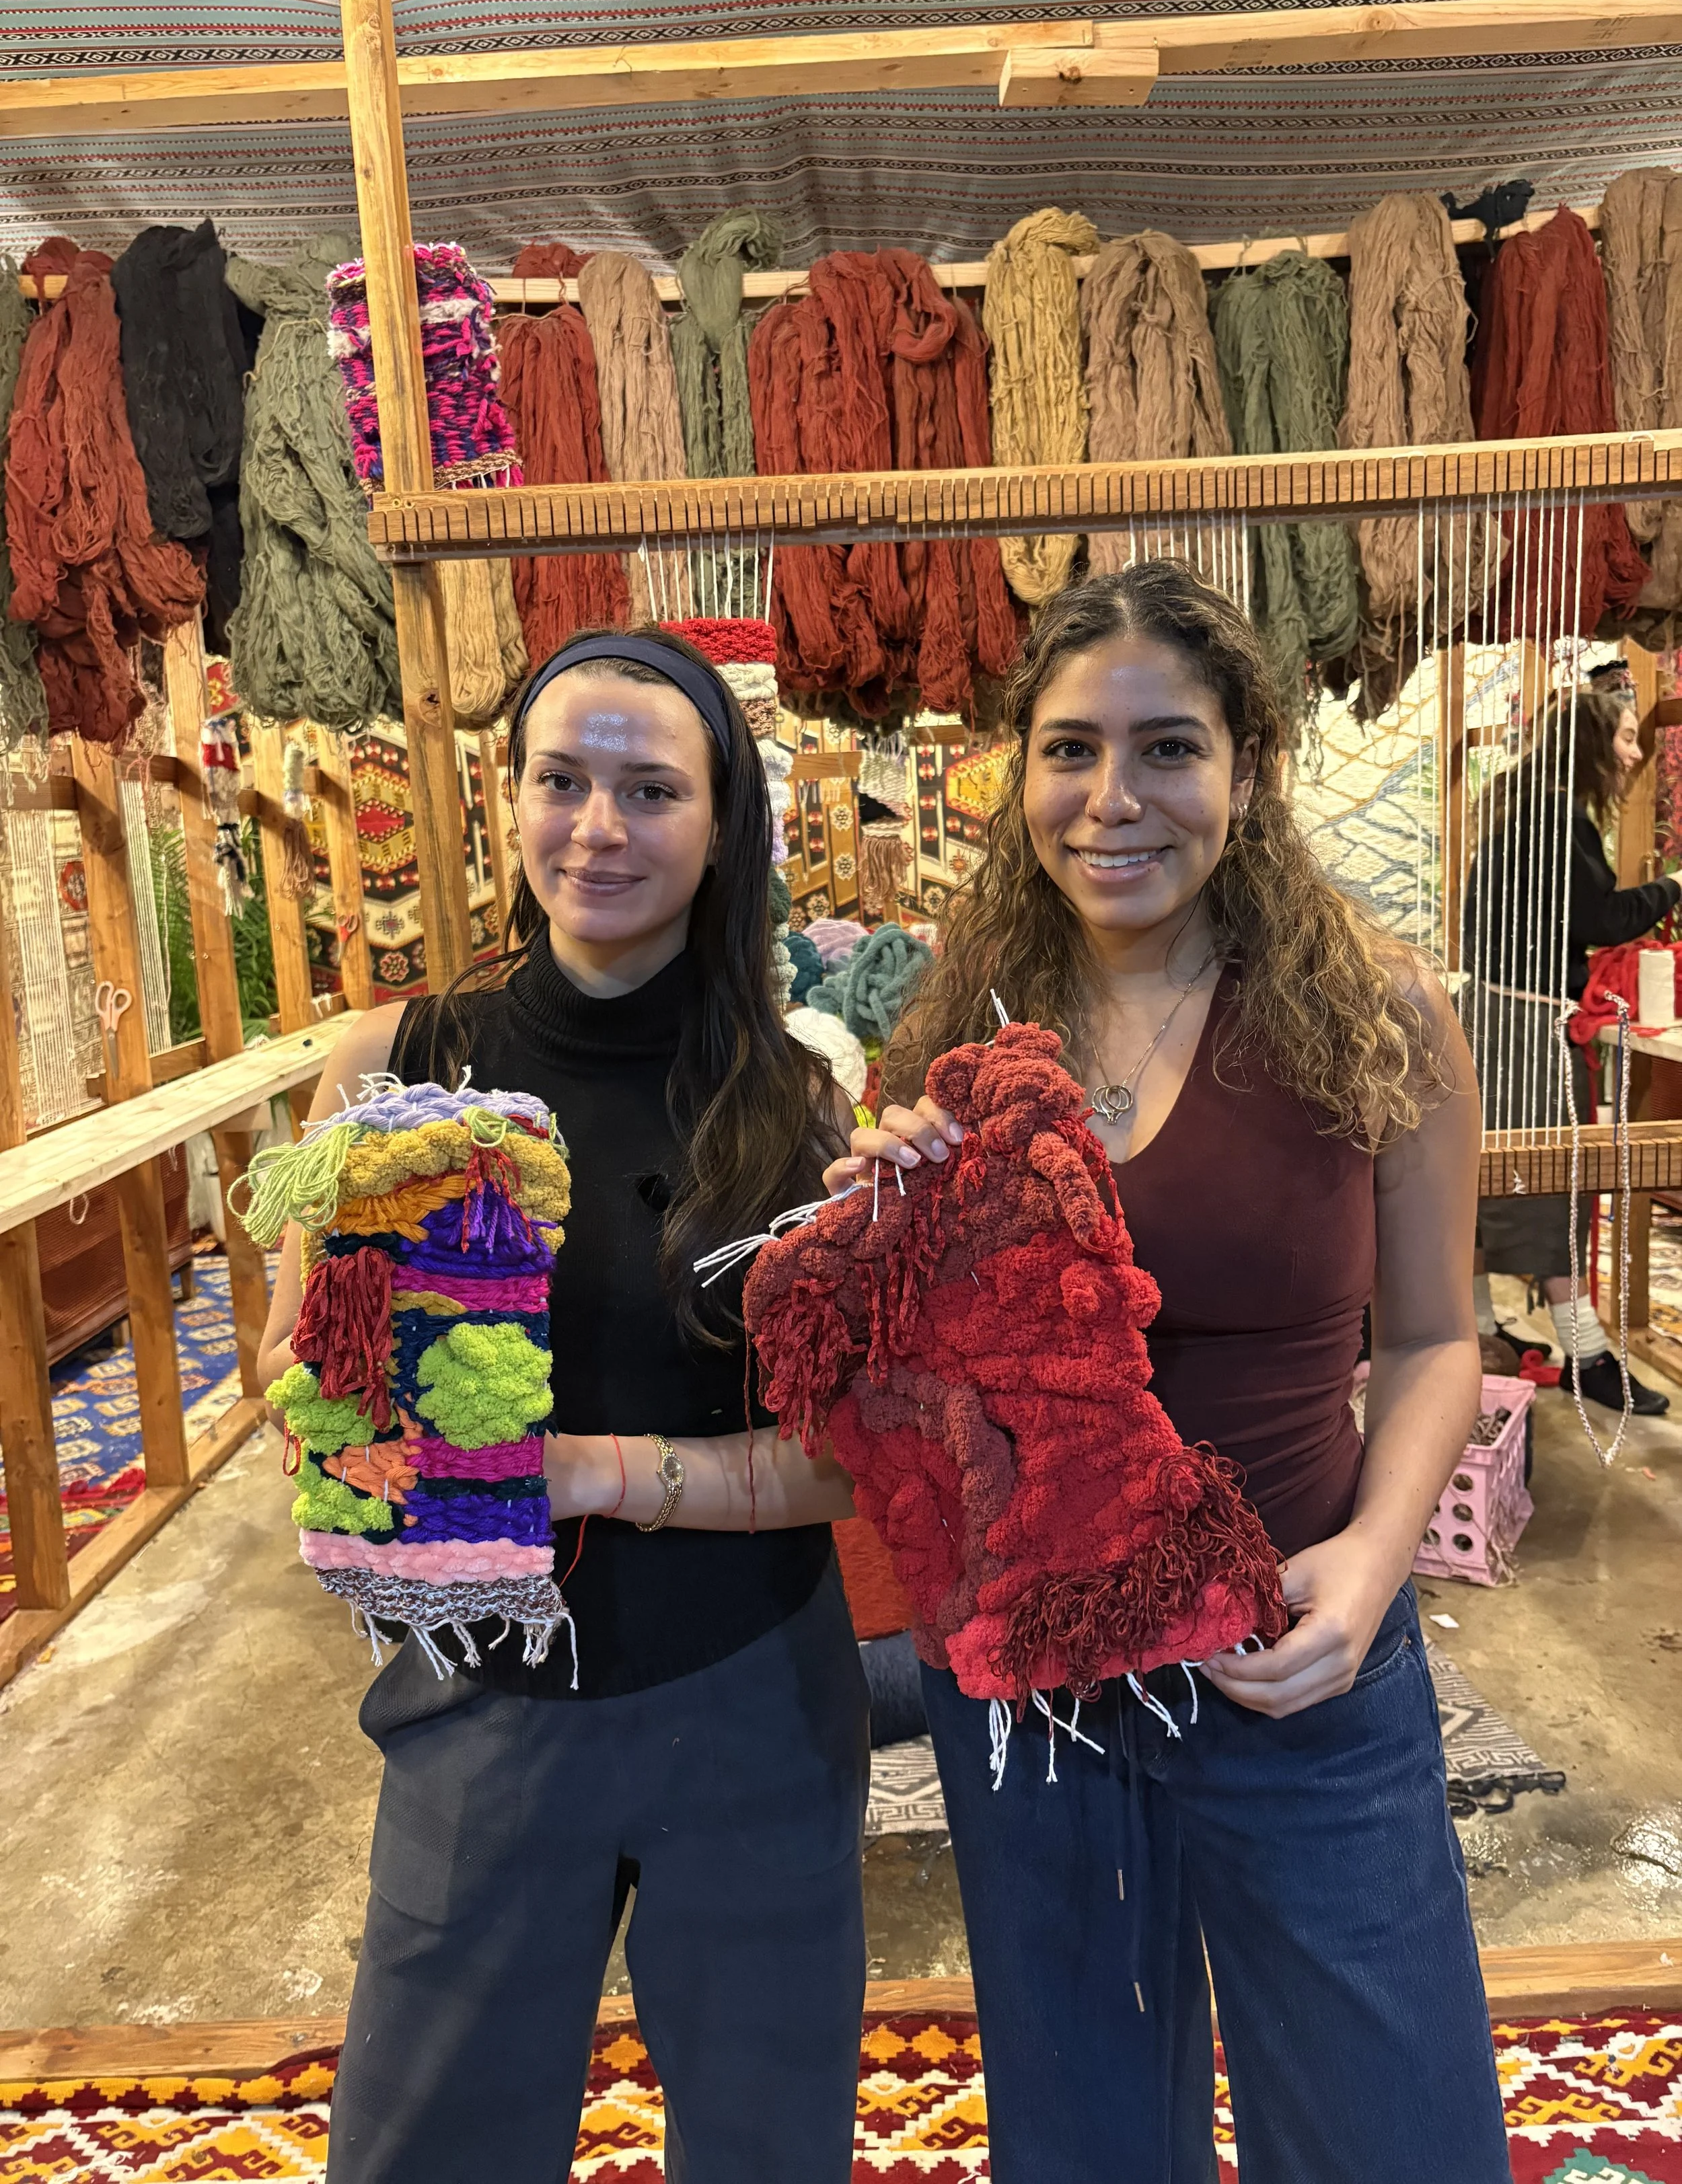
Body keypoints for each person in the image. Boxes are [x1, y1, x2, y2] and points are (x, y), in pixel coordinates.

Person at [828, 562, 1508, 2184]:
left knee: (1390, 2130)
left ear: (1246, 770)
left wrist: (1366, 1567)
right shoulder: (966, 1031)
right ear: (1019, 775)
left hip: (1298, 1654)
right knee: (1083, 2137)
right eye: (1069, 750)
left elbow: (1432, 1339)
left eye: (1166, 749)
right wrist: (888, 1221)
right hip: (1042, 1681)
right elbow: (920, 1392)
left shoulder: (1377, 1016)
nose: (1111, 798)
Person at [256, 628, 866, 2184]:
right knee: (424, 2146)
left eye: (650, 788)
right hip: (481, 1703)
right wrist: (350, 1429)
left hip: (750, 1702)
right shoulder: (394, 1067)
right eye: (562, 780)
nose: (598, 827)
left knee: (765, 2139)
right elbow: (291, 1367)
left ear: (722, 822)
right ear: (511, 801)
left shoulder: (796, 1103)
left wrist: (588, 1470)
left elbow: (845, 1460)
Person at [1461, 683, 1680, 1411]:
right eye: (1623, 735)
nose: (1633, 750)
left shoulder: (1524, 809)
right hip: (1522, 1030)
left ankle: (1482, 1332)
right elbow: (1601, 916)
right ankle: (1586, 1356)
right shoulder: (1556, 818)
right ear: (1589, 743)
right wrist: (1673, 887)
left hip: (1490, 1018)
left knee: (1482, 1183)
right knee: (1547, 1186)